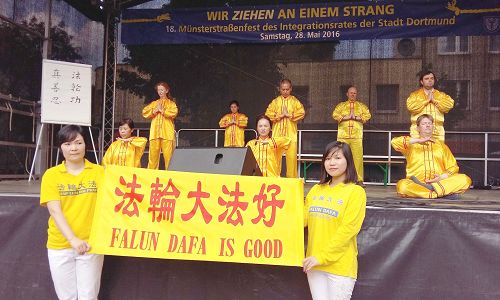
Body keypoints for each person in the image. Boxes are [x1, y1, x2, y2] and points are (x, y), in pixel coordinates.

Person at [40, 125, 104, 300]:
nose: (73, 148)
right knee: (66, 297)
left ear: (86, 145)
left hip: (91, 244)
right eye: (67, 144)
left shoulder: (100, 173)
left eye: (78, 142)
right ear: (61, 147)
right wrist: (72, 239)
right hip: (60, 245)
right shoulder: (51, 175)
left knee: (88, 296)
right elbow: (55, 210)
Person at [303, 141, 366, 300]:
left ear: (348, 161)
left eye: (337, 158)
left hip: (339, 267)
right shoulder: (316, 189)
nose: (332, 163)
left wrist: (321, 257)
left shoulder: (355, 192)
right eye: (328, 158)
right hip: (314, 265)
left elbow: (348, 230)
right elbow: (301, 220)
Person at [391, 114, 471, 199]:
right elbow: (394, 142)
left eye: (430, 123)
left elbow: (453, 167)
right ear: (418, 128)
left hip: (440, 182)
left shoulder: (441, 146)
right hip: (417, 183)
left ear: (433, 127)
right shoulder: (411, 145)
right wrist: (418, 140)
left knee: (465, 179)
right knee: (402, 186)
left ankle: (432, 189)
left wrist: (441, 177)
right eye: (424, 123)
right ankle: (440, 193)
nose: (427, 125)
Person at [265, 78, 305, 178]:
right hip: (277, 135)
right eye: (283, 89)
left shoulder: (295, 101)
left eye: (287, 89)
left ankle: (291, 182)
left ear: (291, 89)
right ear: (280, 89)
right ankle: (274, 181)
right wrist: (280, 115)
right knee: (275, 159)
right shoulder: (275, 102)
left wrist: (289, 115)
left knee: (291, 160)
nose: (285, 91)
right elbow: (268, 114)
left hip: (291, 135)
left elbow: (302, 113)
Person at [332, 86, 371, 183]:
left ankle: (358, 180)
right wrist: (347, 117)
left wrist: (357, 118)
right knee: (341, 156)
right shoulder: (341, 106)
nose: (352, 94)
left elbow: (368, 115)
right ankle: (340, 178)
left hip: (356, 136)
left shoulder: (361, 106)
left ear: (356, 94)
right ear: (347, 94)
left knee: (357, 158)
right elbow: (335, 115)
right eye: (351, 93)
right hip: (343, 136)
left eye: (354, 93)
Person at [407, 71, 454, 141]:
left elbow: (448, 105)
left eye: (432, 78)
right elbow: (411, 107)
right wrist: (426, 101)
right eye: (426, 79)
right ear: (421, 82)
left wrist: (434, 101)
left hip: (437, 131)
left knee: (437, 151)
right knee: (419, 151)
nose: (430, 80)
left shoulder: (441, 95)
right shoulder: (414, 95)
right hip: (417, 132)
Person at [142, 81, 178, 170]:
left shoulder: (171, 103)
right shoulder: (154, 103)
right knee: (153, 157)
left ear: (167, 90)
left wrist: (163, 111)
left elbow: (174, 112)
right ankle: (151, 176)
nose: (160, 92)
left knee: (169, 156)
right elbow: (144, 112)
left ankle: (170, 177)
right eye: (158, 90)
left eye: (162, 90)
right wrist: (155, 111)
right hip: (155, 133)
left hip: (167, 133)